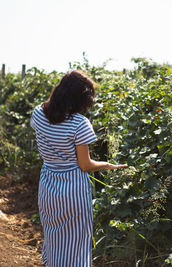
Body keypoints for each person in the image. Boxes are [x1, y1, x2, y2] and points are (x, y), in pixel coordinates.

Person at [30, 70, 127, 267]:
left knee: (54, 241)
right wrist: (107, 165)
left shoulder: (38, 114)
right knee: (76, 246)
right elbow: (85, 164)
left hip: (48, 186)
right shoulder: (79, 124)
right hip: (73, 191)